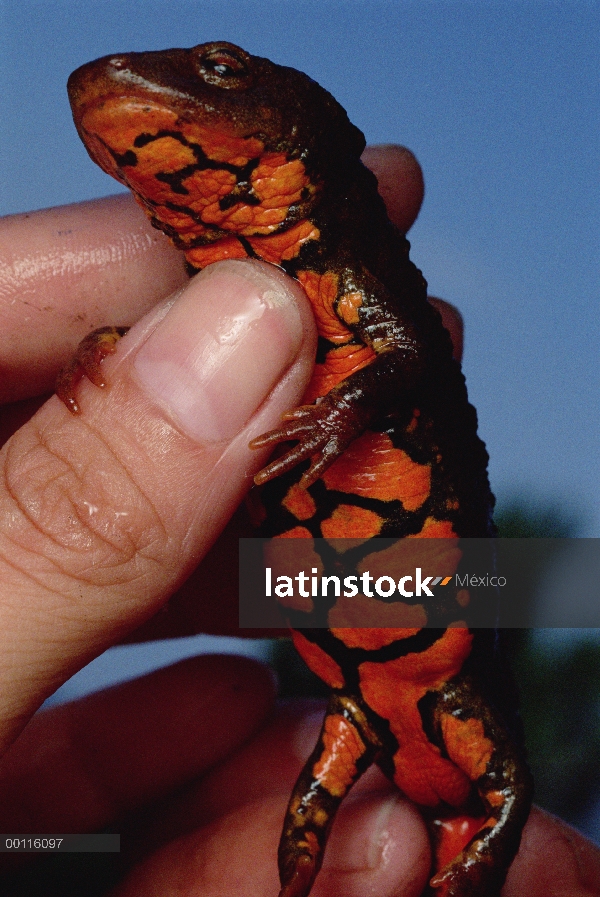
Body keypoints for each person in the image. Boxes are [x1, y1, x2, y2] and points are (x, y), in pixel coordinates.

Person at [0, 146, 597, 896]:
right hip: (364, 660)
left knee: (329, 821)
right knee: (328, 829)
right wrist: (111, 351)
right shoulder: (308, 277)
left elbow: (410, 350)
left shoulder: (433, 724)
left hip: (366, 681)